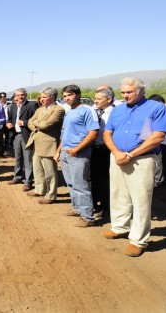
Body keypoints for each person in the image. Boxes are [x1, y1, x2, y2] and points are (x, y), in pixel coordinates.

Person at [101, 77, 166, 257]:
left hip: (142, 159)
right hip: (117, 157)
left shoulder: (157, 108)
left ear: (141, 91)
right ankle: (119, 227)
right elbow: (107, 133)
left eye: (129, 92)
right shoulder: (118, 111)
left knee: (140, 200)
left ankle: (138, 240)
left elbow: (157, 137)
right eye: (123, 92)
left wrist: (131, 155)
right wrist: (117, 153)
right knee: (118, 194)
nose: (125, 96)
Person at [54, 85, 99, 227]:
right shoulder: (69, 111)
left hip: (79, 153)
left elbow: (93, 133)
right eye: (65, 96)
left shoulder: (87, 110)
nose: (67, 98)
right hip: (66, 152)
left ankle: (87, 217)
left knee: (81, 184)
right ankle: (77, 208)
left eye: (70, 95)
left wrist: (76, 149)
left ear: (78, 95)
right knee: (71, 183)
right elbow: (64, 133)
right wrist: (58, 151)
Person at [26, 87, 65, 201]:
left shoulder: (58, 109)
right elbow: (29, 122)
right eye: (41, 97)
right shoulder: (39, 109)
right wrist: (37, 123)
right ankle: (39, 190)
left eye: (44, 97)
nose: (41, 99)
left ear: (52, 98)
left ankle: (51, 195)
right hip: (36, 143)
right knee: (37, 169)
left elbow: (46, 125)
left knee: (50, 172)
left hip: (48, 145)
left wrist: (36, 123)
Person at [5, 88, 38, 191]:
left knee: (28, 159)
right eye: (18, 95)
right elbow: (10, 119)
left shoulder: (32, 105)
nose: (20, 97)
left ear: (26, 95)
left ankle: (28, 182)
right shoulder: (13, 107)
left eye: (22, 95)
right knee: (18, 158)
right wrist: (8, 123)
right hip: (16, 135)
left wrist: (24, 122)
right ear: (15, 97)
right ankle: (18, 177)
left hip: (27, 135)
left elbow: (36, 119)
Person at [90, 87, 116, 217]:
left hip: (107, 150)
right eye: (95, 99)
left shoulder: (115, 112)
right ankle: (93, 204)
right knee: (93, 178)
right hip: (94, 149)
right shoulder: (94, 111)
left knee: (106, 179)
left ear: (109, 99)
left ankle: (106, 208)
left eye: (99, 99)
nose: (96, 101)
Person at [0, 92, 10, 156]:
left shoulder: (10, 105)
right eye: (1, 97)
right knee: (0, 139)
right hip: (0, 124)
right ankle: (0, 152)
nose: (3, 98)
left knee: (8, 138)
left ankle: (6, 150)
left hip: (8, 123)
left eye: (4, 96)